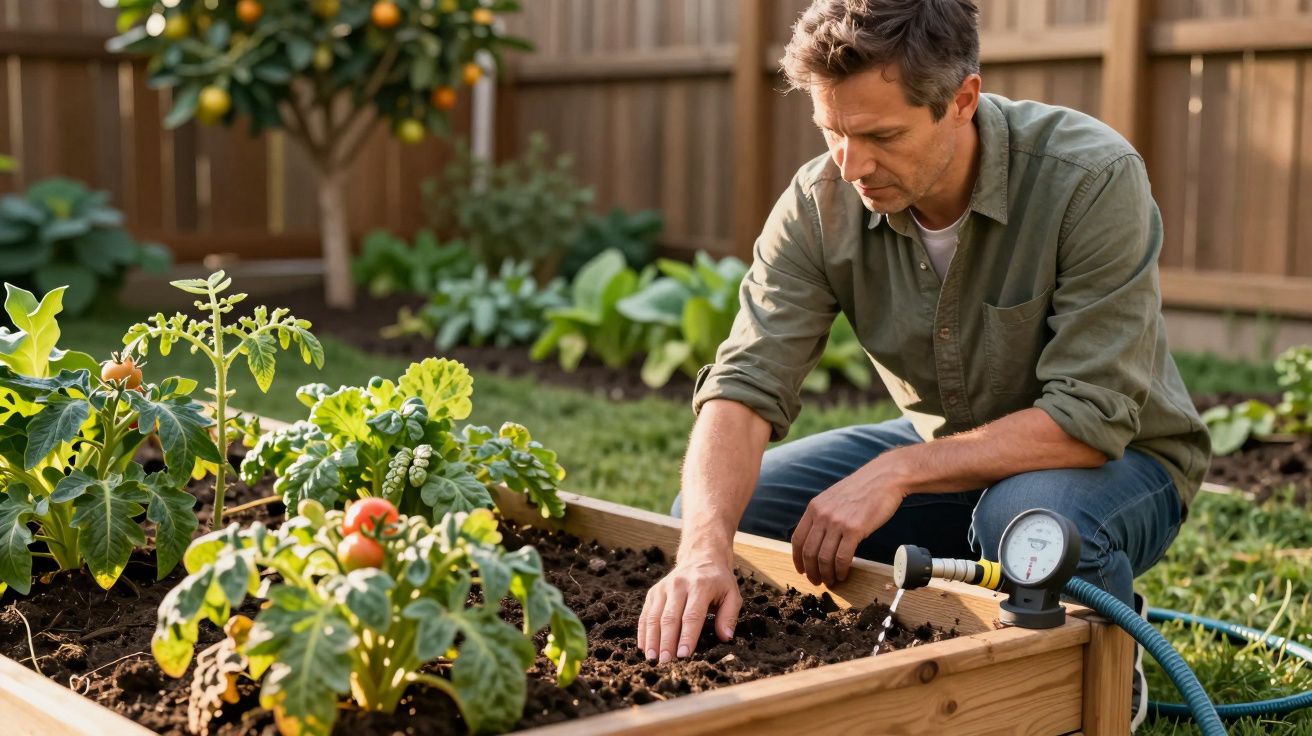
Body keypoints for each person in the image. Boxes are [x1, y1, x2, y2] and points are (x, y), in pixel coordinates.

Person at [636, 0, 1210, 730]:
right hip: (951, 455)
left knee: (1021, 516)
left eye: (880, 135)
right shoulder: (819, 204)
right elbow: (744, 386)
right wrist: (702, 552)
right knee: (714, 514)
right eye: (831, 132)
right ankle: (976, 584)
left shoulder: (1087, 177)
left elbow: (1091, 417)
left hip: (1122, 464)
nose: (851, 166)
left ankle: (1093, 664)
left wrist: (895, 473)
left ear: (962, 99)